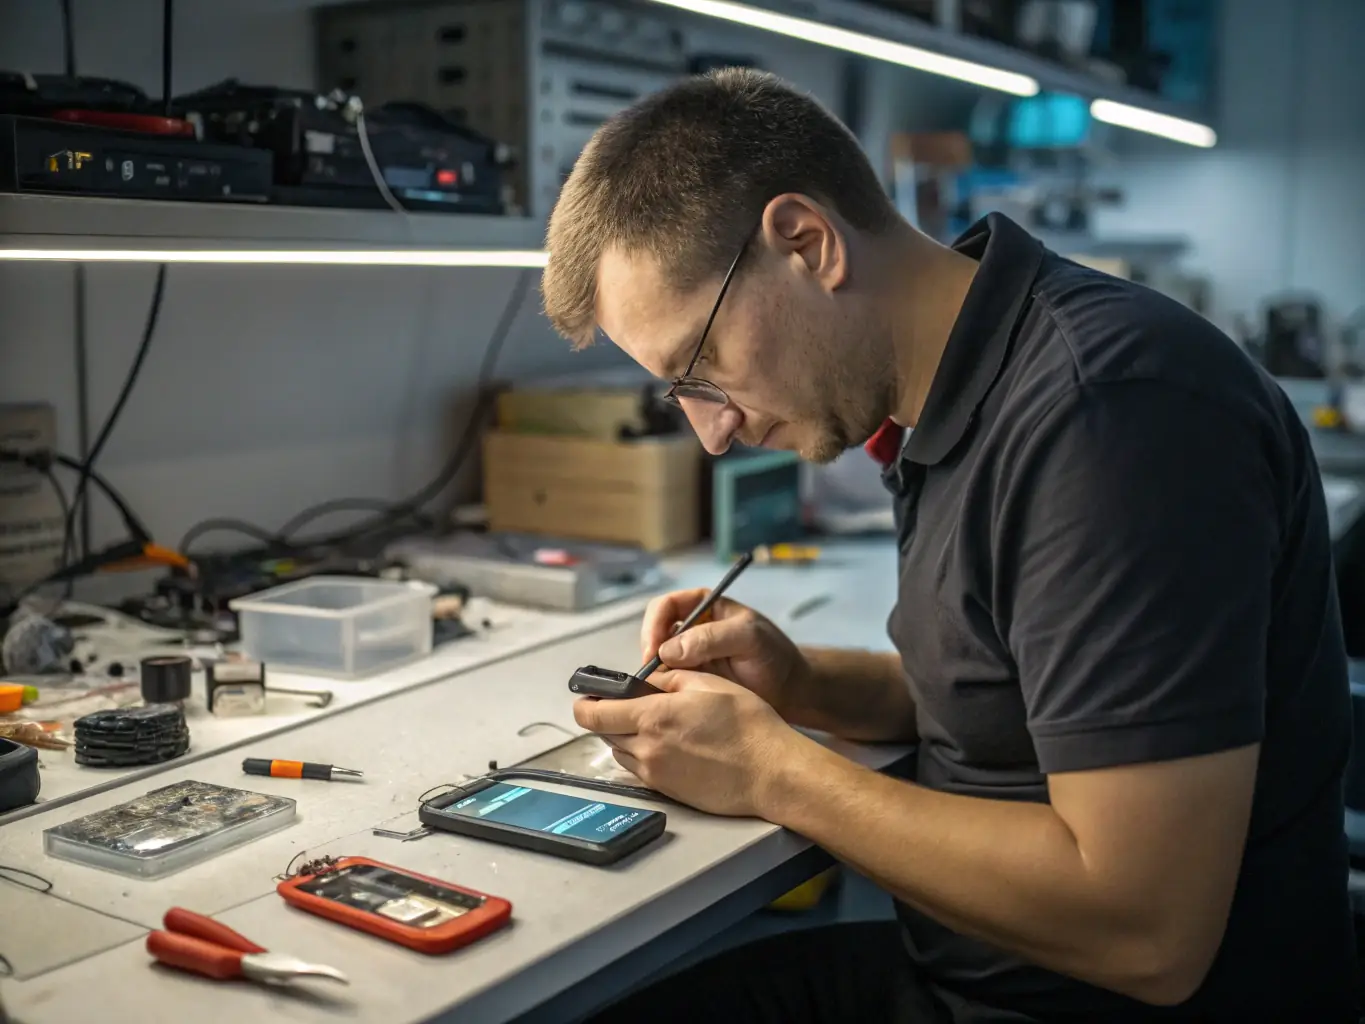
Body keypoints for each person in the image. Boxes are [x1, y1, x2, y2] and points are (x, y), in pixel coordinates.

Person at [539, 68, 1358, 1023]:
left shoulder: (1110, 418)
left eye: (701, 369)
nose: (711, 433)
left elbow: (1146, 931)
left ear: (804, 244)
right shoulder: (958, 392)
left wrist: (774, 769)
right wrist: (803, 684)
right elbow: (1028, 710)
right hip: (976, 979)